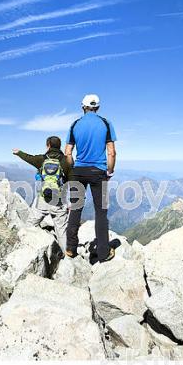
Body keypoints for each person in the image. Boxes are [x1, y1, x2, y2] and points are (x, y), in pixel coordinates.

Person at [64, 94, 117, 263]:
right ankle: (103, 253)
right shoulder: (106, 123)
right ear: (98, 107)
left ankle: (71, 249)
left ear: (83, 107)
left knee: (76, 208)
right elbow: (111, 152)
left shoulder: (75, 124)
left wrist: (72, 169)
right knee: (101, 212)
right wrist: (109, 171)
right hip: (98, 171)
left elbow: (68, 153)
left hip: (78, 170)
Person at [12, 136, 72, 252]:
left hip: (43, 201)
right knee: (61, 231)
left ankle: (27, 250)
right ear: (59, 146)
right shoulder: (66, 161)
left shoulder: (42, 159)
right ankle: (67, 257)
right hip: (59, 202)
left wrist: (19, 152)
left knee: (30, 225)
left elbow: (28, 158)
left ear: (48, 145)